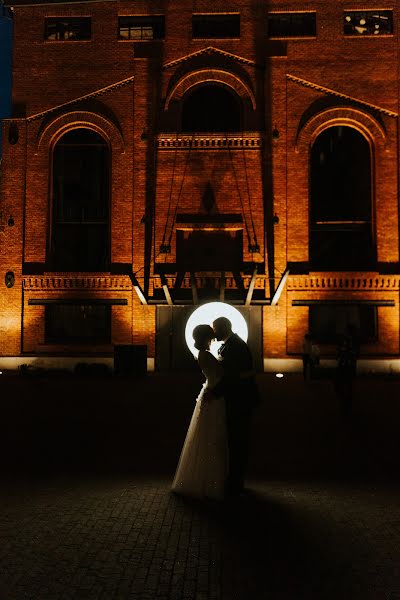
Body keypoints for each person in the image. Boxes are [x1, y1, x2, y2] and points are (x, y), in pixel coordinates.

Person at [171, 324, 228, 500]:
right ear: (205, 339)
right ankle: (212, 481)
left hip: (209, 391)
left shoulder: (203, 355)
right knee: (212, 435)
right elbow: (220, 374)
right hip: (214, 395)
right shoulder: (206, 355)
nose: (212, 340)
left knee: (206, 434)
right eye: (210, 338)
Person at [211, 316, 259, 497]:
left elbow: (232, 376)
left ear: (223, 328)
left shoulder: (236, 346)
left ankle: (236, 481)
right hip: (237, 399)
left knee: (238, 440)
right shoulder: (231, 344)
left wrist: (214, 393)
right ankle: (234, 479)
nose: (213, 331)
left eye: (215, 328)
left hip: (240, 400)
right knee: (235, 439)